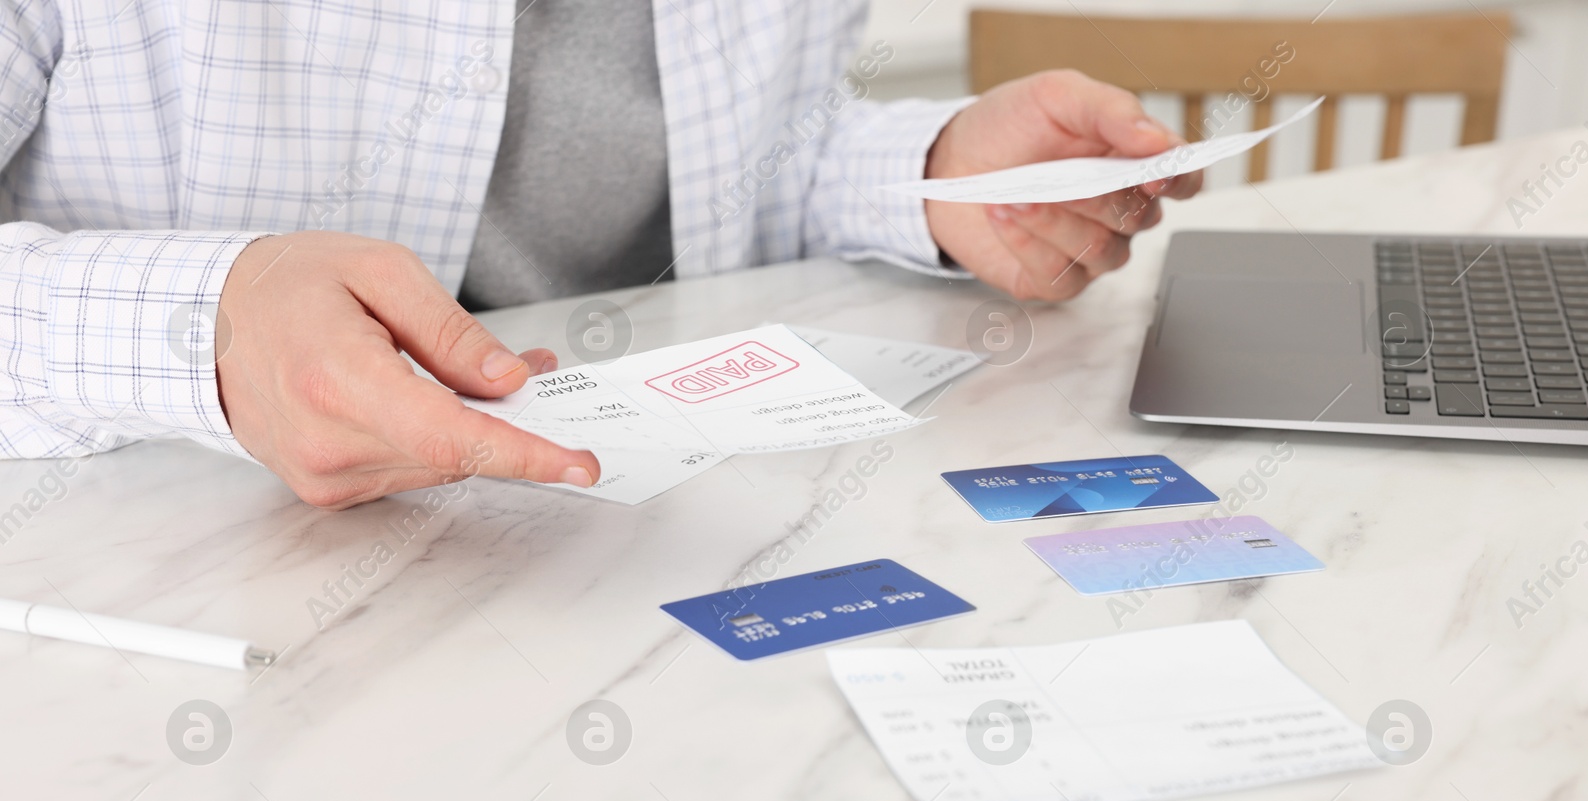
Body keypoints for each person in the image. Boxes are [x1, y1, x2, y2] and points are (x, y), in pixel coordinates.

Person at [0, 2, 1198, 508]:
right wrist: (207, 328)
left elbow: (752, 163)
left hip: (661, 538)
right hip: (158, 575)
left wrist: (932, 175)